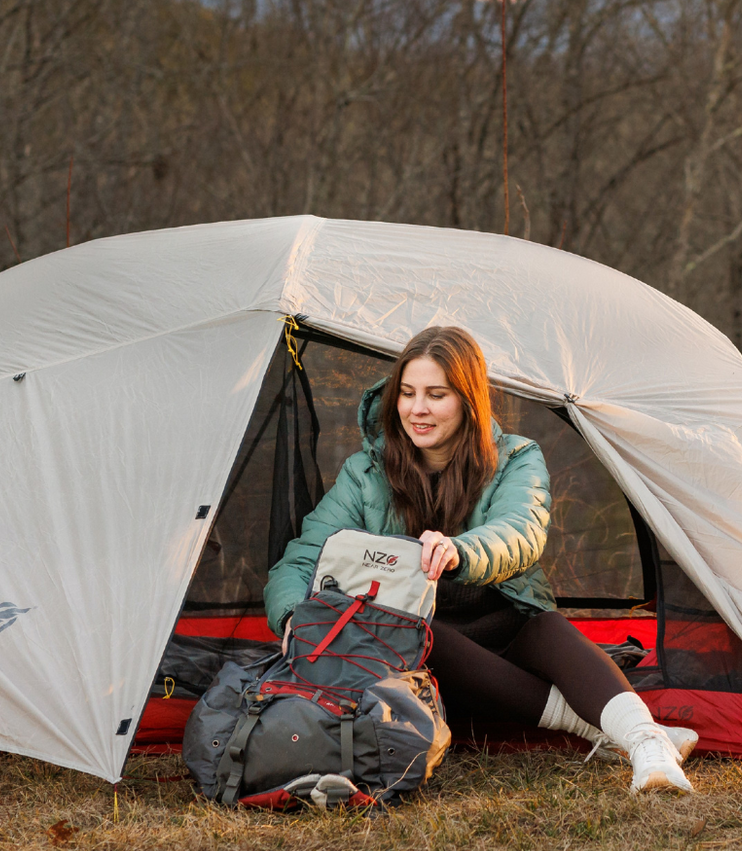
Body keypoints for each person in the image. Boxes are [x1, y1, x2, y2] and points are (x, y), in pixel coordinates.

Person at [264, 325, 697, 794]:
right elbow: (304, 557)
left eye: (436, 394)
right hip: (422, 657)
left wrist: (459, 551)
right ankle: (609, 731)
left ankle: (648, 748)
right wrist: (292, 615)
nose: (417, 409)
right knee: (423, 632)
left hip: (504, 628)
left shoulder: (514, 459)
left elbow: (520, 533)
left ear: (467, 400)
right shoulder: (366, 473)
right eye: (406, 393)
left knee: (548, 628)